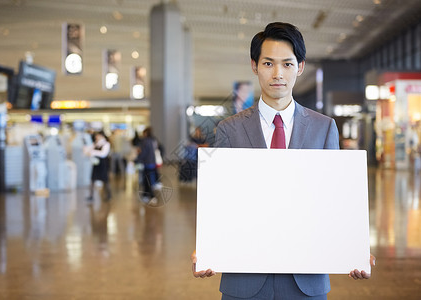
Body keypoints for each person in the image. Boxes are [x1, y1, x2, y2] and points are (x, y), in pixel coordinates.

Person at [192, 22, 376, 300]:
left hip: (306, 279)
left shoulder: (323, 127)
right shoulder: (229, 129)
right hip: (244, 280)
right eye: (268, 63)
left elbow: (334, 200)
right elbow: (222, 200)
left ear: (300, 67)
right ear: (254, 65)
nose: (277, 74)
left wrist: (352, 248)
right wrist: (208, 247)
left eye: (287, 64)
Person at [135, 127, 162, 204]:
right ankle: (146, 195)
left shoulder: (145, 141)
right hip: (152, 162)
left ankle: (151, 196)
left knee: (147, 180)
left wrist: (137, 160)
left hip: (147, 163)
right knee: (149, 179)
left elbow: (143, 153)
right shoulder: (153, 140)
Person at [86, 131, 111, 201]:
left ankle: (108, 195)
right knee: (93, 179)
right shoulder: (96, 143)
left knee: (105, 180)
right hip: (96, 164)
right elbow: (89, 149)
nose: (96, 137)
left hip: (103, 164)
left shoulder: (106, 144)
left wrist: (94, 152)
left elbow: (103, 154)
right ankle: (91, 195)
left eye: (98, 135)